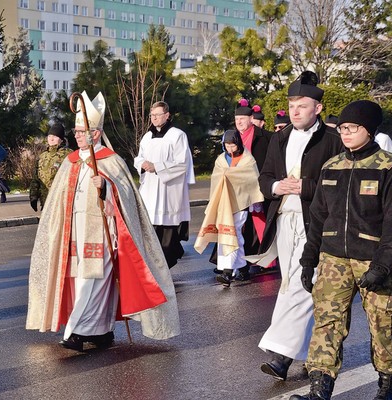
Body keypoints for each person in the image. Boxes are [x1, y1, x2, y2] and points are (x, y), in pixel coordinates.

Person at [26, 91, 180, 352]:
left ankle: (75, 332)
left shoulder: (111, 161)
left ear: (95, 134)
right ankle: (101, 331)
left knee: (92, 280)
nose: (75, 136)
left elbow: (128, 199)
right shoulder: (71, 161)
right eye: (75, 131)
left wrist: (107, 187)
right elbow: (59, 199)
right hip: (74, 232)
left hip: (103, 232)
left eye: (80, 131)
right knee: (83, 282)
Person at [290, 101, 392, 400]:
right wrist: (309, 259)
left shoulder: (390, 167)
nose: (345, 133)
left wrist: (382, 264)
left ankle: (389, 386)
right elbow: (317, 219)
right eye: (342, 128)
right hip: (334, 259)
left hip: (375, 260)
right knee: (327, 322)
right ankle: (319, 390)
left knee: (382, 322)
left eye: (352, 128)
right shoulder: (332, 167)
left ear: (370, 129)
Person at [255, 71, 343, 381]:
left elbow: (340, 184)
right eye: (292, 105)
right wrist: (279, 186)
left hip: (317, 223)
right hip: (284, 221)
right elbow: (264, 179)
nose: (295, 111)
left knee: (304, 283)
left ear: (317, 108)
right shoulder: (279, 138)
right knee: (291, 285)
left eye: (302, 106)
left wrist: (304, 187)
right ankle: (310, 354)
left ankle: (281, 355)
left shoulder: (333, 141)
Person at [194, 130, 264, 287]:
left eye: (233, 145)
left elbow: (252, 180)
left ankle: (227, 272)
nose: (230, 148)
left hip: (240, 203)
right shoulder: (220, 159)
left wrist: (231, 176)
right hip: (223, 204)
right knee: (228, 235)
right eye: (227, 145)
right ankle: (243, 268)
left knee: (233, 233)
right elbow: (216, 179)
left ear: (238, 143)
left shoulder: (248, 160)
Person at [133, 101, 195, 268]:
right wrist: (142, 164)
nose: (154, 118)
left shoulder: (177, 135)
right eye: (152, 115)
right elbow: (138, 157)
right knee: (150, 232)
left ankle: (166, 265)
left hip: (168, 191)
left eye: (158, 115)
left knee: (167, 236)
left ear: (167, 115)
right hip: (150, 191)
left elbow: (182, 163)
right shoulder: (147, 137)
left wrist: (157, 167)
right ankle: (155, 268)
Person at [232, 98, 272, 279]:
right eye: (236, 119)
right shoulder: (232, 137)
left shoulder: (266, 137)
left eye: (242, 118)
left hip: (258, 186)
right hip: (237, 188)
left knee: (258, 223)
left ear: (250, 119)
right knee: (240, 226)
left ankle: (261, 259)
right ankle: (239, 262)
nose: (239, 122)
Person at [29, 122, 72, 211]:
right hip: (45, 200)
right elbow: (36, 178)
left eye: (55, 137)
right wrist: (33, 197)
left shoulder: (68, 155)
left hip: (61, 200)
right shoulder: (42, 156)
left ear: (61, 139)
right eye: (49, 136)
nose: (51, 139)